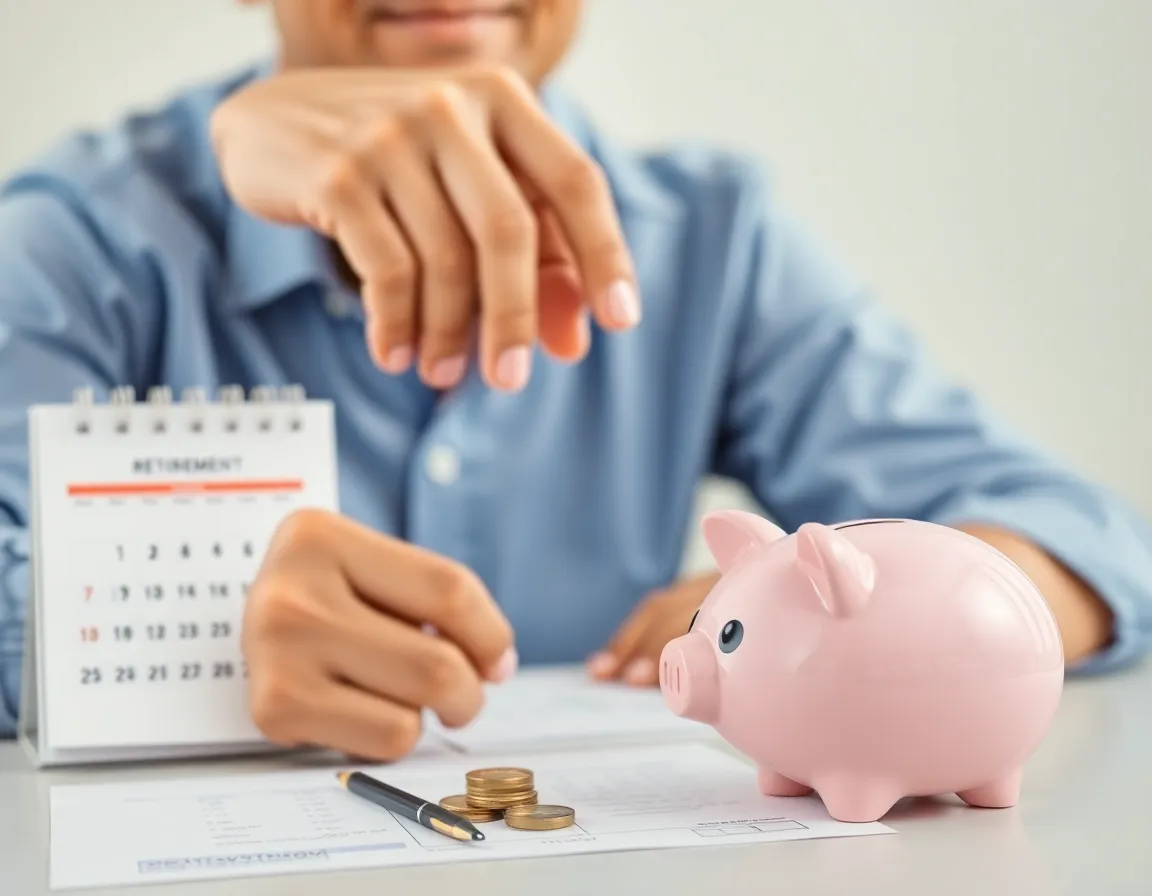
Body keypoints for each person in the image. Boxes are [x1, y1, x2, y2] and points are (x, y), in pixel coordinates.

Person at [1, 0, 1149, 759]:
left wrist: (846, 611)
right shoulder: (84, 245)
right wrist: (207, 639)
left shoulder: (714, 240)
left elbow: (1091, 542)